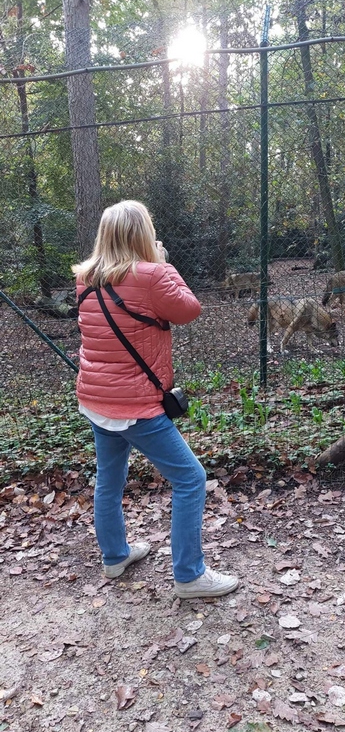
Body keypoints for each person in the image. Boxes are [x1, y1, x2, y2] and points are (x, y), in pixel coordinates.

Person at [72, 200, 238, 598]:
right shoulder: (151, 276)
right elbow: (189, 309)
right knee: (191, 479)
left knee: (109, 480)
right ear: (143, 234)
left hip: (96, 398)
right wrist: (164, 264)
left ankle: (115, 556)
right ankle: (189, 575)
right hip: (135, 406)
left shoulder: (85, 278)